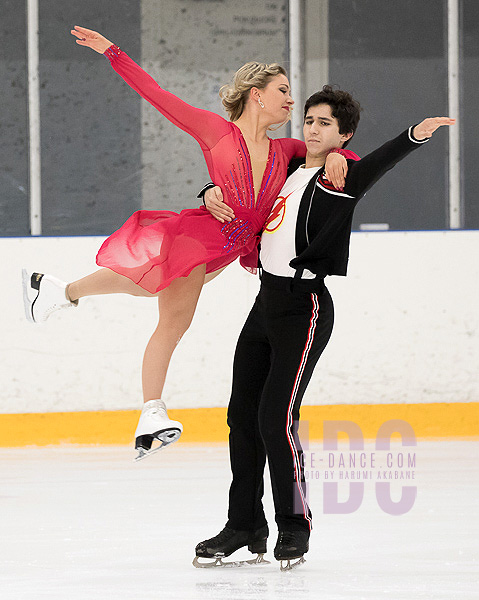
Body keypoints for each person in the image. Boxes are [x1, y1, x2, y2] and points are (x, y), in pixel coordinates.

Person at [22, 26, 358, 460]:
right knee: (174, 323)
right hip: (200, 240)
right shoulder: (215, 130)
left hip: (227, 247)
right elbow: (157, 94)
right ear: (257, 94)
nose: (292, 101)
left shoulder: (285, 149)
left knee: (145, 284)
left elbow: (329, 150)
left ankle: (59, 291)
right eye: (284, 91)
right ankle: (151, 415)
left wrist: (338, 156)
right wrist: (113, 51)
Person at [193, 86, 455, 569]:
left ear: (344, 135)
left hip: (305, 306)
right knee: (241, 418)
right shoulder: (285, 172)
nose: (312, 129)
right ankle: (244, 526)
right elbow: (234, 181)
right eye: (309, 121)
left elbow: (380, 163)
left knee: (276, 419)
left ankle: (295, 526)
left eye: (324, 124)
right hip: (264, 303)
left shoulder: (343, 178)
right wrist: (207, 193)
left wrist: (415, 134)